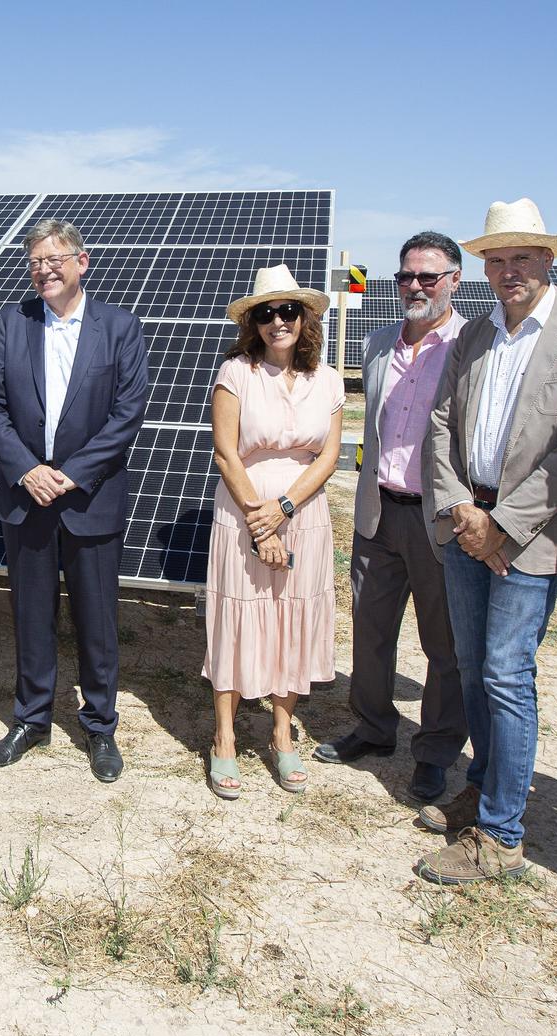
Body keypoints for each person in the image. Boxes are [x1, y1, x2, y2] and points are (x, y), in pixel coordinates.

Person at [414, 198, 557, 884]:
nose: (508, 271)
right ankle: (484, 784)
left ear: (548, 259)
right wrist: (458, 508)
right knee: (472, 663)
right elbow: (442, 425)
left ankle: (501, 834)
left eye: (521, 258)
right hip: (464, 521)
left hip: (534, 535)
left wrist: (502, 522)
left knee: (506, 671)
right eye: (496, 259)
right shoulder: (475, 335)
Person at [0, 219, 148, 782]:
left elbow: (127, 416)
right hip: (26, 498)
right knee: (31, 615)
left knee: (97, 619)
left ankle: (99, 726)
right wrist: (27, 470)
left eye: (55, 259)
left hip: (88, 500)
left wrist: (70, 475)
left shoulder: (119, 328)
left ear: (82, 262)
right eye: (34, 262)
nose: (44, 269)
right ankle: (31, 718)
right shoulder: (11, 323)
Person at [316, 232, 469, 803]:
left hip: (439, 519)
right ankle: (375, 727)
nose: (415, 286)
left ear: (455, 279)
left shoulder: (470, 345)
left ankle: (434, 751)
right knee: (371, 632)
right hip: (378, 511)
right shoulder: (378, 344)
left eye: (429, 276)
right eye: (406, 276)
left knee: (444, 645)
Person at [201, 266, 343, 799]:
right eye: (265, 314)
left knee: (292, 620)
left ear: (304, 318)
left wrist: (285, 508)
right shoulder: (235, 372)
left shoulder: (326, 379)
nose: (277, 322)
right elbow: (226, 452)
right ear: (253, 324)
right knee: (238, 618)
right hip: (244, 509)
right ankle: (225, 738)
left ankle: (283, 733)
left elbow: (328, 455)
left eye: (287, 311)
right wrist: (262, 522)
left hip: (304, 510)